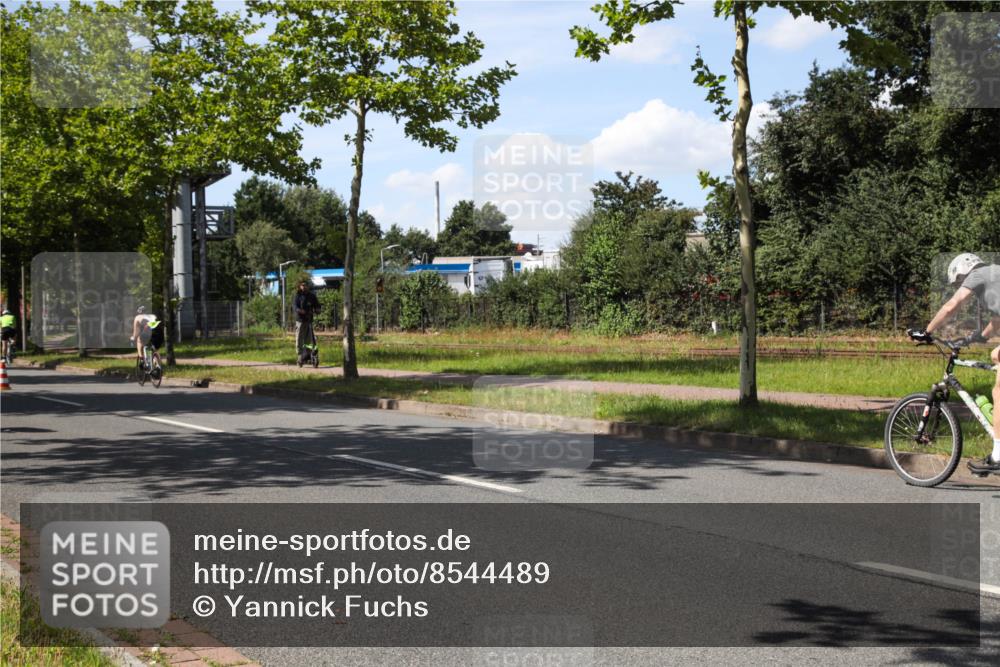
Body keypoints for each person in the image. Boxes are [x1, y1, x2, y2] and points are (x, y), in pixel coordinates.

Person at [911, 253, 1000, 473]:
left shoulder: (979, 273)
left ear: (964, 270)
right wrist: (977, 337)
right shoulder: (994, 275)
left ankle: (998, 455)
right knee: (996, 356)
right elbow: (997, 320)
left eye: (960, 282)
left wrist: (927, 331)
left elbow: (953, 305)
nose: (961, 286)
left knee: (999, 391)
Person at [293, 279, 321, 361]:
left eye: (305, 285)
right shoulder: (297, 295)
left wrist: (318, 309)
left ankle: (307, 354)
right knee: (299, 338)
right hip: (300, 320)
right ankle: (299, 354)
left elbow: (317, 305)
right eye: (302, 285)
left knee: (309, 338)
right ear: (300, 286)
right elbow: (295, 306)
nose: (304, 287)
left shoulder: (312, 296)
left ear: (308, 286)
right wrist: (300, 310)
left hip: (309, 319)